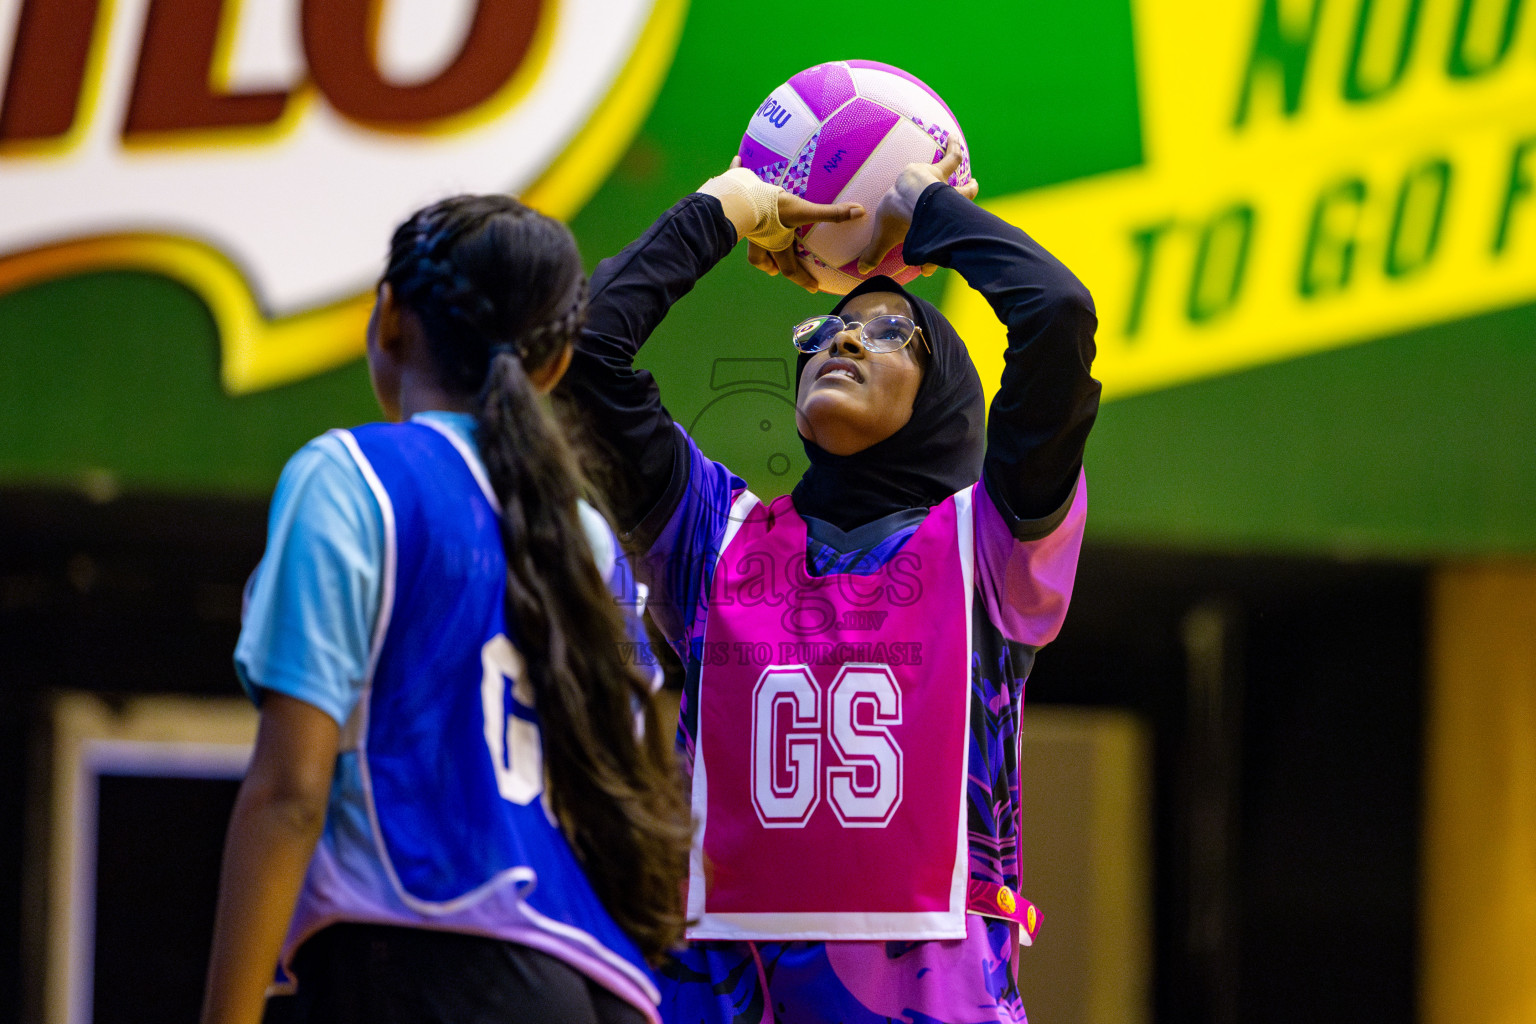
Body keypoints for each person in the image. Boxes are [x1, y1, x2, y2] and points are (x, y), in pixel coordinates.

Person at [557, 138, 1100, 1024]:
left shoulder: (991, 546)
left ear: (945, 400)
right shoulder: (714, 539)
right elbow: (585, 356)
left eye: (894, 331)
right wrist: (720, 211)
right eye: (827, 329)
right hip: (726, 995)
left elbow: (1056, 314)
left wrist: (928, 212)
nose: (845, 331)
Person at [200, 194, 691, 1024]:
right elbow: (648, 787)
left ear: (389, 318)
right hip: (597, 984)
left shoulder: (353, 475)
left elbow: (289, 792)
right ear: (556, 363)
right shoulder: (586, 534)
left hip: (418, 955)